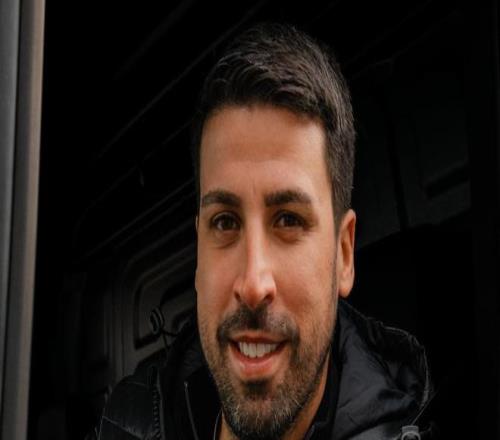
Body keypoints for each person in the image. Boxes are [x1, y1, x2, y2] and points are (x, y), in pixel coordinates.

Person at [97, 23, 433, 440]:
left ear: (344, 254)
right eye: (225, 221)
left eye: (288, 220)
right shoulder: (126, 421)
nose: (253, 284)